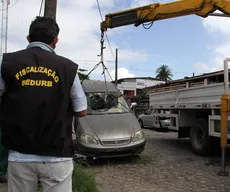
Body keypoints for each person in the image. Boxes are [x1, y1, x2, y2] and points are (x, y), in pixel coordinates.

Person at [0, 16, 87, 192]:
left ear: (28, 38)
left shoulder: (8, 63)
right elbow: (82, 110)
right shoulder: (67, 67)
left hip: (19, 152)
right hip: (57, 154)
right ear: (55, 41)